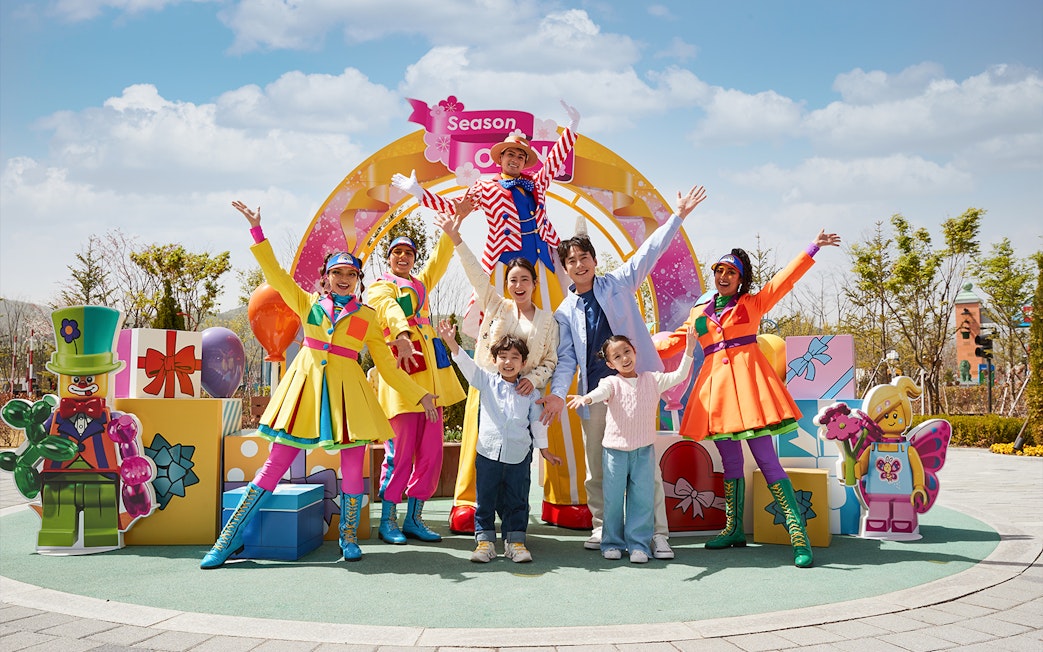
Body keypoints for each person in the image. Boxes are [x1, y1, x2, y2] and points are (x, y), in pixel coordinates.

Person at [202, 201, 438, 569]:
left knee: (353, 466)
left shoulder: (368, 317)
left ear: (358, 280)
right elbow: (275, 274)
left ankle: (348, 536)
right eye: (337, 273)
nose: (343, 279)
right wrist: (257, 232)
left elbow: (389, 368)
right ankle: (229, 538)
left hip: (349, 401)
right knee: (274, 465)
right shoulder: (307, 303)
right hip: (304, 396)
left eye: (350, 274)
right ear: (326, 277)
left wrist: (419, 394)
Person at [391, 101, 586, 531]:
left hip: (544, 270)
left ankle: (567, 495)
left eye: (520, 154)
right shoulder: (485, 186)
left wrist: (572, 127)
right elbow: (454, 208)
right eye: (509, 154)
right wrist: (417, 192)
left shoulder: (536, 183)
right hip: (502, 272)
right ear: (499, 158)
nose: (514, 159)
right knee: (487, 371)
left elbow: (555, 161)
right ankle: (469, 497)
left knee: (558, 365)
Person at [539, 184, 709, 558]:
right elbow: (566, 360)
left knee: (645, 467)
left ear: (594, 260)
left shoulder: (617, 283)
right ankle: (605, 528)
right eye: (572, 261)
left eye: (585, 257)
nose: (579, 265)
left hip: (636, 390)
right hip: (596, 396)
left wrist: (678, 216)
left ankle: (657, 533)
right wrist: (558, 393)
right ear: (564, 269)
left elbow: (649, 252)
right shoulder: (564, 312)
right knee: (598, 469)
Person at [677, 230, 842, 568]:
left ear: (741, 279)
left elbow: (783, 281)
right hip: (718, 397)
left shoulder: (752, 304)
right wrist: (632, 349)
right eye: (719, 271)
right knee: (730, 463)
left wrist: (812, 248)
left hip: (750, 394)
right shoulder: (699, 314)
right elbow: (674, 341)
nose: (723, 277)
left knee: (767, 460)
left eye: (731, 272)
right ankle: (733, 529)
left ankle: (799, 536)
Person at [432, 206, 558, 534]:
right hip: (487, 386)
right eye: (513, 280)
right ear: (506, 284)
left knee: (517, 460)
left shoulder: (547, 320)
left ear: (534, 283)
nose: (519, 285)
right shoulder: (496, 304)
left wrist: (533, 379)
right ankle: (471, 506)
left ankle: (515, 527)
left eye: (525, 279)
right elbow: (475, 272)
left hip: (524, 395)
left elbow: (550, 361)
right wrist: (456, 238)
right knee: (481, 448)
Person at [566, 326, 697, 563]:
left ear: (635, 352)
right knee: (613, 500)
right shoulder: (610, 382)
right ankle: (612, 543)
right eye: (617, 356)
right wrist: (586, 398)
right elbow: (600, 392)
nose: (624, 358)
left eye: (627, 351)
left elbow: (679, 376)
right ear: (610, 364)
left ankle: (639, 545)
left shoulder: (653, 379)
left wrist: (689, 350)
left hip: (644, 451)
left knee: (642, 500)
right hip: (614, 452)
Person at [368, 232, 467, 544]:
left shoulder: (420, 285)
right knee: (399, 455)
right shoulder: (380, 287)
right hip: (402, 384)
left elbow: (439, 259)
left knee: (431, 455)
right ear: (388, 258)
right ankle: (388, 520)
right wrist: (402, 333)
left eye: (408, 253)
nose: (403, 257)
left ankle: (414, 519)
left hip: (432, 386)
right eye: (397, 252)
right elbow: (388, 308)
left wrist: (452, 230)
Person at [436, 320, 563, 563]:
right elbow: (467, 366)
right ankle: (485, 542)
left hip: (519, 456)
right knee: (485, 499)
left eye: (514, 357)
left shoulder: (530, 391)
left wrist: (544, 450)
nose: (508, 362)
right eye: (502, 357)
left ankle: (515, 542)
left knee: (517, 500)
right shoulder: (486, 382)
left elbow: (537, 423)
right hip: (488, 454)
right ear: (494, 361)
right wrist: (451, 343)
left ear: (523, 363)